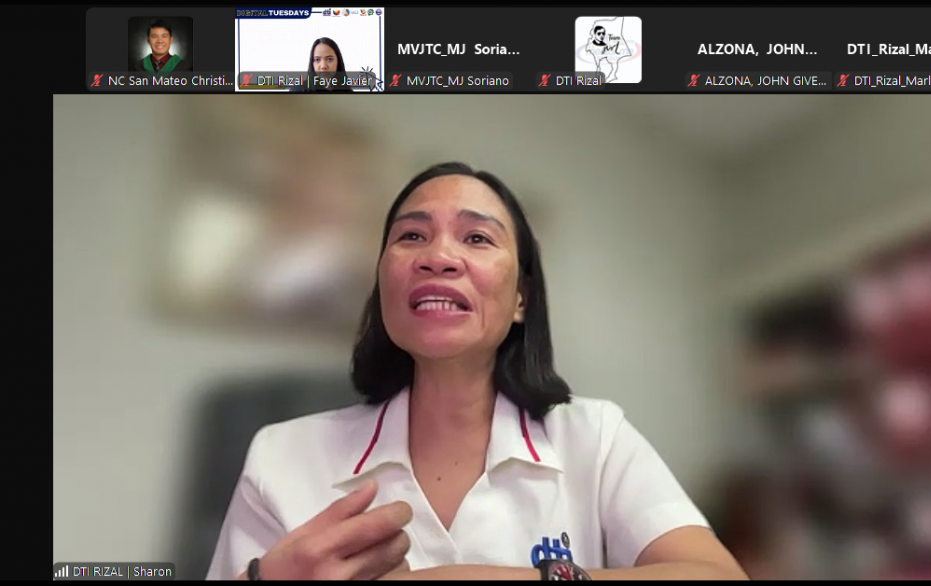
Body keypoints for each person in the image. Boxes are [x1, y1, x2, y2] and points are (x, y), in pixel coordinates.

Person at [205, 162, 750, 581]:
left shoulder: (595, 436)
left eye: (478, 238)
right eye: (411, 236)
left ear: (520, 299)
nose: (438, 256)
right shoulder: (277, 455)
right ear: (384, 287)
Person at [290, 37, 354, 92]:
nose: (323, 66)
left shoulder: (348, 92)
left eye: (329, 59)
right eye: (317, 60)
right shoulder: (297, 91)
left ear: (338, 61)